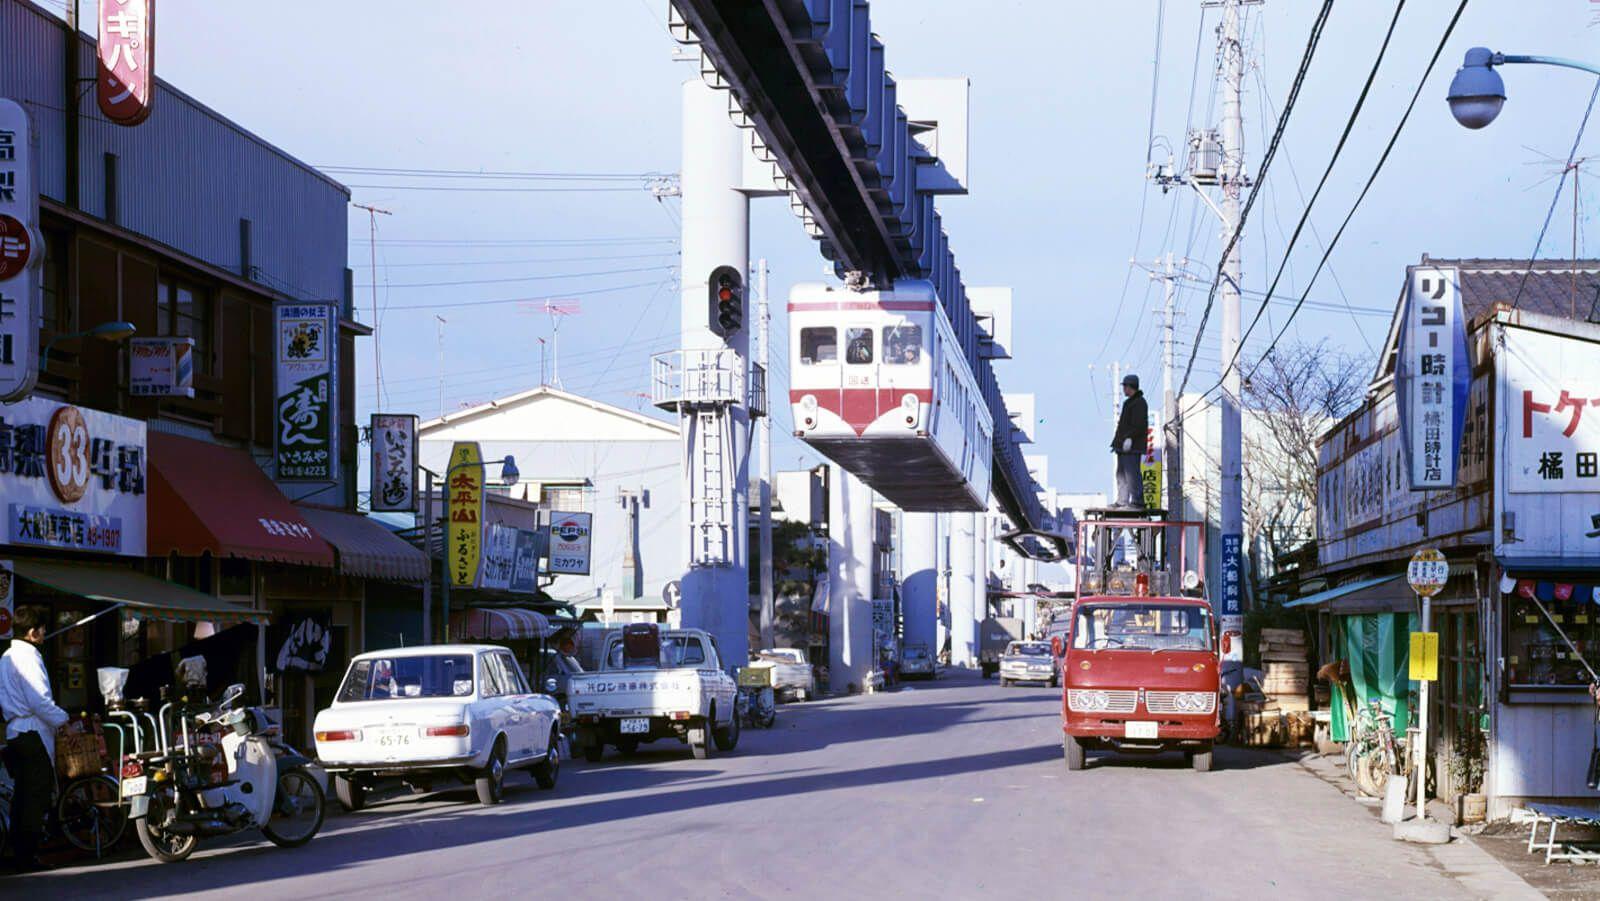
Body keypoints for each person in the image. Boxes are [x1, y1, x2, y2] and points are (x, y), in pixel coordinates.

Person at [0, 606, 70, 872]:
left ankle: (19, 852)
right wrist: (63, 720)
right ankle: (26, 857)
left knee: (22, 795)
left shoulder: (6, 656)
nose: (44, 633)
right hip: (31, 732)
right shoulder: (29, 656)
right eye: (41, 628)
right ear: (32, 632)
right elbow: (39, 700)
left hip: (15, 732)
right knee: (35, 796)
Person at [1110, 373, 1149, 509]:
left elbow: (1138, 425)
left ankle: (1138, 502)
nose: (1123, 389)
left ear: (1130, 386)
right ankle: (1122, 501)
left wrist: (1129, 438)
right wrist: (1117, 443)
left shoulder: (1139, 403)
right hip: (1124, 445)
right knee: (1121, 474)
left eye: (1125, 386)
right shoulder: (1130, 402)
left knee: (1132, 474)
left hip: (1133, 446)